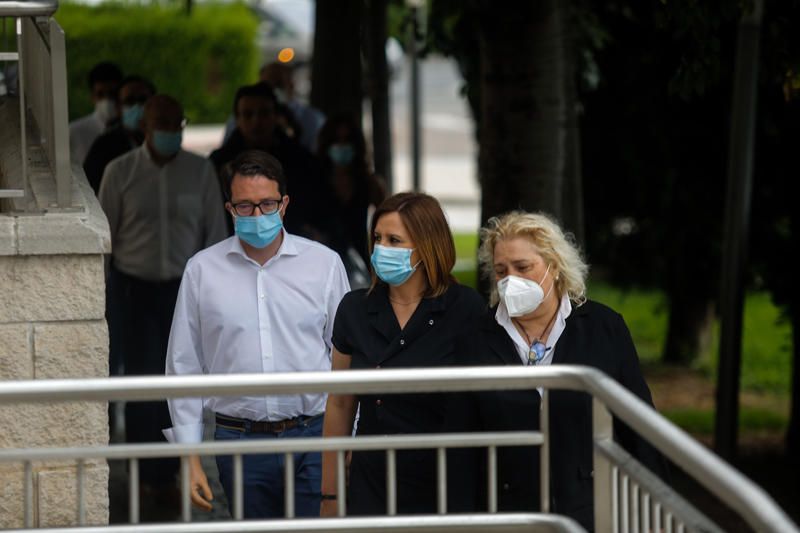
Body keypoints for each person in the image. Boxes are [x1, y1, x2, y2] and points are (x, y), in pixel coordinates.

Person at [446, 211, 668, 531]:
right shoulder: (475, 339)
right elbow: (459, 445)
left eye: (523, 267)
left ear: (555, 265)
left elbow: (639, 426)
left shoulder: (603, 328)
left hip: (589, 515)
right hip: (505, 517)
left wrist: (656, 511)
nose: (511, 280)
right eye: (500, 271)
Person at [164, 150, 350, 518]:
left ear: (284, 204)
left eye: (266, 204)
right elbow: (184, 364)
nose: (257, 215)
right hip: (240, 441)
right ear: (230, 208)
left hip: (315, 435)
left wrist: (347, 438)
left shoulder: (324, 265)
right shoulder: (202, 271)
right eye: (245, 206)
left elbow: (346, 356)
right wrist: (190, 457)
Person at [320, 192, 486, 516]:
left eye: (395, 240)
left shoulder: (465, 308)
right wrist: (330, 495)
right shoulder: (355, 309)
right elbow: (340, 402)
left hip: (444, 483)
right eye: (378, 238)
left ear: (427, 246)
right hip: (373, 482)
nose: (382, 249)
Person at [98, 94, 227, 508]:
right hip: (134, 289)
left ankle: (174, 472)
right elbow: (106, 239)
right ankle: (141, 474)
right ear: (146, 126)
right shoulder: (120, 172)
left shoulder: (200, 170)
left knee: (180, 386)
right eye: (162, 123)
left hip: (181, 291)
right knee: (142, 386)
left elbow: (215, 233)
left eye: (177, 122)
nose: (171, 130)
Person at [210, 82, 328, 238]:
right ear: (237, 119)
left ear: (276, 116)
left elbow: (318, 209)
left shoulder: (302, 161)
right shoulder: (219, 163)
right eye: (248, 114)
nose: (256, 121)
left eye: (264, 113)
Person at [316, 112, 386, 267]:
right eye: (336, 141)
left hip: (360, 259)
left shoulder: (369, 183)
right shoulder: (314, 182)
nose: (341, 147)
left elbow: (387, 219)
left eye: (347, 141)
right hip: (320, 261)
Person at [222, 62, 325, 152]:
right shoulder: (236, 119)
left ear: (291, 84)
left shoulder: (313, 118)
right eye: (268, 84)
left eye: (279, 84)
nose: (256, 121)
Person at [84, 75, 156, 194]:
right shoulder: (104, 146)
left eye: (142, 100)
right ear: (118, 107)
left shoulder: (160, 141)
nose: (137, 106)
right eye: (129, 101)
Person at [69, 61, 123, 166]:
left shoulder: (130, 130)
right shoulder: (75, 132)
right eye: (100, 94)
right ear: (92, 96)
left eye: (112, 94)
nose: (107, 100)